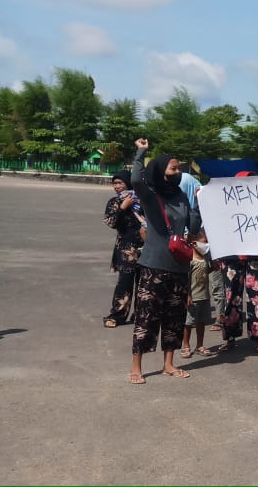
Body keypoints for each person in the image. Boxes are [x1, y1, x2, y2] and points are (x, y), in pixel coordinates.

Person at [128, 138, 201, 384]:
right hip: (153, 266)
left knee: (175, 317)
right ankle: (136, 367)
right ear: (160, 171)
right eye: (174, 168)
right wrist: (141, 152)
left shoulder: (180, 195)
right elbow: (136, 179)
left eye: (179, 168)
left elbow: (192, 227)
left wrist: (197, 205)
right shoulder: (150, 195)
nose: (178, 172)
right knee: (147, 317)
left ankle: (168, 363)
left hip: (179, 266)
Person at [218, 171, 258, 355]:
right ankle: (230, 338)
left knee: (257, 299)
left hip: (255, 257)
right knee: (231, 297)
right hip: (231, 258)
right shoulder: (224, 205)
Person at [103, 170, 144, 328]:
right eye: (115, 183)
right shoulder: (114, 202)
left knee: (143, 283)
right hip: (126, 248)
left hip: (145, 247)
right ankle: (117, 315)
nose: (117, 186)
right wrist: (122, 207)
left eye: (121, 183)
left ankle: (140, 314)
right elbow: (111, 222)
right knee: (124, 283)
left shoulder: (142, 200)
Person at [181, 230, 215, 358]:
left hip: (204, 296)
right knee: (189, 322)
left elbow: (206, 271)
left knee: (201, 322)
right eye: (203, 242)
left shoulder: (205, 257)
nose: (205, 245)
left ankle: (199, 345)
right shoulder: (190, 259)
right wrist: (188, 295)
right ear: (194, 243)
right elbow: (187, 279)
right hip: (193, 297)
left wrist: (213, 267)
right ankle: (185, 345)